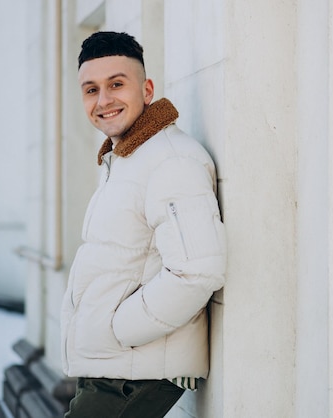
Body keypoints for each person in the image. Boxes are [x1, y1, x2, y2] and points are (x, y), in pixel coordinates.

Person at [60, 31, 227, 418]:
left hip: (136, 373)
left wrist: (118, 331)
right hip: (114, 366)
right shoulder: (125, 158)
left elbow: (197, 271)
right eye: (91, 89)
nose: (103, 100)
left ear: (147, 89)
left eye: (117, 84)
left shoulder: (171, 160)